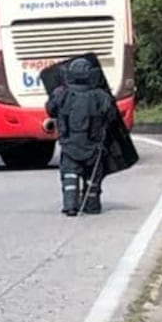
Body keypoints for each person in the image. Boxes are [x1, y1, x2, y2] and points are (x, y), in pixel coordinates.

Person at [45, 55, 121, 216]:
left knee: (69, 175)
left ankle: (70, 205)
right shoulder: (100, 96)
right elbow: (112, 116)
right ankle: (92, 205)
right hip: (94, 147)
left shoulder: (61, 94)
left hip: (69, 145)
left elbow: (50, 110)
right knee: (93, 177)